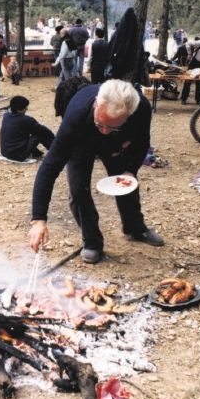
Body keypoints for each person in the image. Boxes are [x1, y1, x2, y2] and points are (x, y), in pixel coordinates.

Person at [27, 79, 165, 264]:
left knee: (126, 184)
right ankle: (92, 242)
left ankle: (135, 228)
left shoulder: (141, 108)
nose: (105, 131)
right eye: (101, 124)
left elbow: (141, 143)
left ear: (129, 114)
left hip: (116, 145)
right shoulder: (76, 113)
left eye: (112, 126)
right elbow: (50, 166)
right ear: (96, 104)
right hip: (81, 142)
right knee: (78, 191)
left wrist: (130, 170)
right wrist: (38, 219)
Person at [0, 95, 55, 161]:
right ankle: (55, 151)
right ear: (19, 110)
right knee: (40, 134)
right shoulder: (25, 120)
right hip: (17, 156)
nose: (27, 109)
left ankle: (37, 153)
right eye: (25, 107)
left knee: (28, 133)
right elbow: (43, 130)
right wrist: (54, 138)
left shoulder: (6, 116)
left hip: (6, 152)